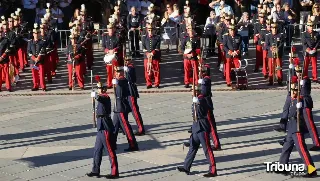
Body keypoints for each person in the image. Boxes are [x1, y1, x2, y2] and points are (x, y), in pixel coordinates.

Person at [277, 75, 317, 178]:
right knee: (286, 147)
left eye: (295, 90)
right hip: (291, 127)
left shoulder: (304, 99)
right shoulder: (293, 98)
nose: (292, 93)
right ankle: (282, 166)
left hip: (298, 127)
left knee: (302, 150)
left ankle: (311, 170)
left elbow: (308, 119)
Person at [177, 86, 218, 178]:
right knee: (192, 148)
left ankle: (213, 170)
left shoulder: (202, 100)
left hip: (202, 128)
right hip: (196, 127)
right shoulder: (196, 100)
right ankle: (186, 167)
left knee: (207, 150)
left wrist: (197, 103)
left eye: (192, 91)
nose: (191, 93)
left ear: (197, 91)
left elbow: (201, 113)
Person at [86, 80, 119, 179]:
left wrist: (95, 95)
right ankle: (95, 170)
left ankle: (115, 172)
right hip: (100, 126)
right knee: (97, 150)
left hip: (105, 126)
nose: (99, 90)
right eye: (98, 88)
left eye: (100, 88)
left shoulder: (105, 97)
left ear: (104, 89)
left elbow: (100, 98)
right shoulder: (101, 96)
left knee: (110, 150)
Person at [112, 66, 139, 152]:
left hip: (121, 107)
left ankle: (133, 144)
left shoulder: (122, 80)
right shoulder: (119, 80)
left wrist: (116, 84)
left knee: (126, 126)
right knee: (114, 126)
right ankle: (113, 144)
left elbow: (119, 93)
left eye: (119, 72)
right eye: (116, 72)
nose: (117, 73)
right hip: (117, 106)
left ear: (122, 72)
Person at [124, 56, 146, 136]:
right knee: (123, 110)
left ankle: (141, 129)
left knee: (135, 111)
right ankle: (123, 127)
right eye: (125, 60)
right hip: (126, 91)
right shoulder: (127, 67)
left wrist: (126, 70)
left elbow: (129, 78)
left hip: (131, 91)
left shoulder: (130, 68)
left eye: (128, 60)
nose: (126, 61)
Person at [142, 23, 161, 89]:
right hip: (146, 57)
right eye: (149, 30)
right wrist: (147, 54)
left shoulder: (157, 37)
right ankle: (148, 83)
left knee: (156, 70)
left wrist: (152, 53)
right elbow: (143, 48)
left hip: (155, 56)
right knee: (147, 70)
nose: (150, 31)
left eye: (151, 30)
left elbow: (157, 47)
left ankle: (157, 83)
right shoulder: (144, 37)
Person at [27, 27, 47, 91]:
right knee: (34, 74)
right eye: (35, 33)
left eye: (38, 33)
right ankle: (35, 86)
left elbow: (43, 51)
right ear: (33, 34)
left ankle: (43, 86)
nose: (36, 34)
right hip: (33, 62)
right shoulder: (30, 42)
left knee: (41, 74)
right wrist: (34, 58)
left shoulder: (42, 42)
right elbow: (28, 51)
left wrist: (39, 57)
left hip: (40, 61)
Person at [102, 24, 121, 89]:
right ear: (108, 29)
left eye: (112, 29)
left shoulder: (116, 36)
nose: (111, 30)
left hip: (115, 55)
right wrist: (107, 51)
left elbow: (119, 46)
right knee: (109, 71)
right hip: (108, 55)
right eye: (109, 29)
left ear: (114, 29)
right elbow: (103, 46)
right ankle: (109, 83)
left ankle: (115, 83)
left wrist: (114, 50)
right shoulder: (105, 37)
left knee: (115, 70)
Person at [0, 19, 12, 92]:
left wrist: (2, 57)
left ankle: (8, 87)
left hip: (4, 59)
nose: (0, 34)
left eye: (1, 32)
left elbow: (8, 49)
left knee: (7, 73)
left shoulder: (6, 40)